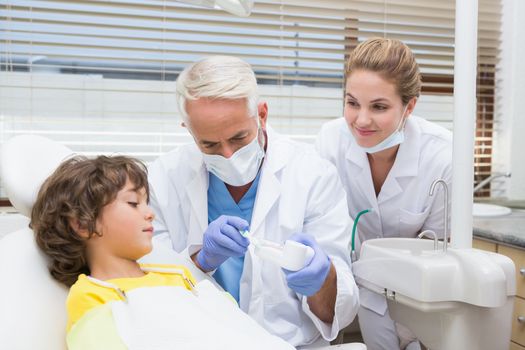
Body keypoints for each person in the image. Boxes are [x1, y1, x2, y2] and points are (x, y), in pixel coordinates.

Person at [148, 55, 360, 347]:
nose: (227, 155)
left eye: (238, 138)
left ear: (262, 114)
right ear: (189, 130)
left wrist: (322, 281)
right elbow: (149, 289)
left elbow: (340, 312)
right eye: (209, 144)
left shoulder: (313, 175)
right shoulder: (163, 178)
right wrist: (199, 260)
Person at [31, 155, 294, 350]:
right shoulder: (92, 293)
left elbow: (230, 324)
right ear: (83, 224)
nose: (150, 213)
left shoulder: (177, 274)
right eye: (133, 203)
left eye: (146, 202)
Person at [316, 38, 452, 350]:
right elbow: (323, 223)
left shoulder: (442, 155)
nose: (361, 120)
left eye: (379, 106)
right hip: (365, 288)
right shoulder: (330, 140)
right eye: (352, 103)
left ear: (410, 106)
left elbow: (441, 251)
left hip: (423, 296)